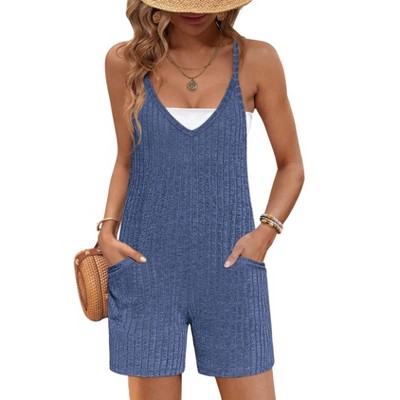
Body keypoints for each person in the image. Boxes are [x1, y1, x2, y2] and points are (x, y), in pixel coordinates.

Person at [97, 0, 304, 398]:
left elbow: (291, 165)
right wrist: (107, 232)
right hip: (146, 268)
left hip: (231, 267)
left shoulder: (257, 60)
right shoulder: (124, 62)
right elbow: (125, 159)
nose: (194, 9)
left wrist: (266, 233)